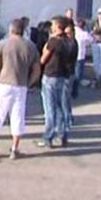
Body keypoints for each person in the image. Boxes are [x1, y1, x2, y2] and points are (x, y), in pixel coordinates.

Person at [0, 19, 41, 160]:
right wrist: (29, 82)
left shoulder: (3, 44)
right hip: (20, 85)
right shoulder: (30, 46)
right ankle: (15, 148)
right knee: (17, 116)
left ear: (10, 30)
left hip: (3, 83)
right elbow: (37, 69)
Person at [37, 16, 69, 148]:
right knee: (60, 108)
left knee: (50, 109)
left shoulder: (54, 41)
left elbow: (43, 59)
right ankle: (62, 135)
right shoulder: (68, 41)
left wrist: (46, 45)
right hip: (63, 76)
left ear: (57, 26)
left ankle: (48, 137)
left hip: (50, 76)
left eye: (53, 25)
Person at [62, 22, 79, 130]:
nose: (66, 35)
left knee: (65, 98)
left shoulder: (72, 44)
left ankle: (67, 119)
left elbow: (67, 58)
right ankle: (68, 118)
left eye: (68, 33)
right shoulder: (70, 42)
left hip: (68, 73)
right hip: (69, 73)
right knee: (65, 98)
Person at [72, 19, 94, 98]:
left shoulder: (73, 31)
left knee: (71, 73)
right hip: (80, 56)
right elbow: (91, 40)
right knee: (78, 74)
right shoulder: (84, 33)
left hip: (72, 55)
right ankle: (74, 91)